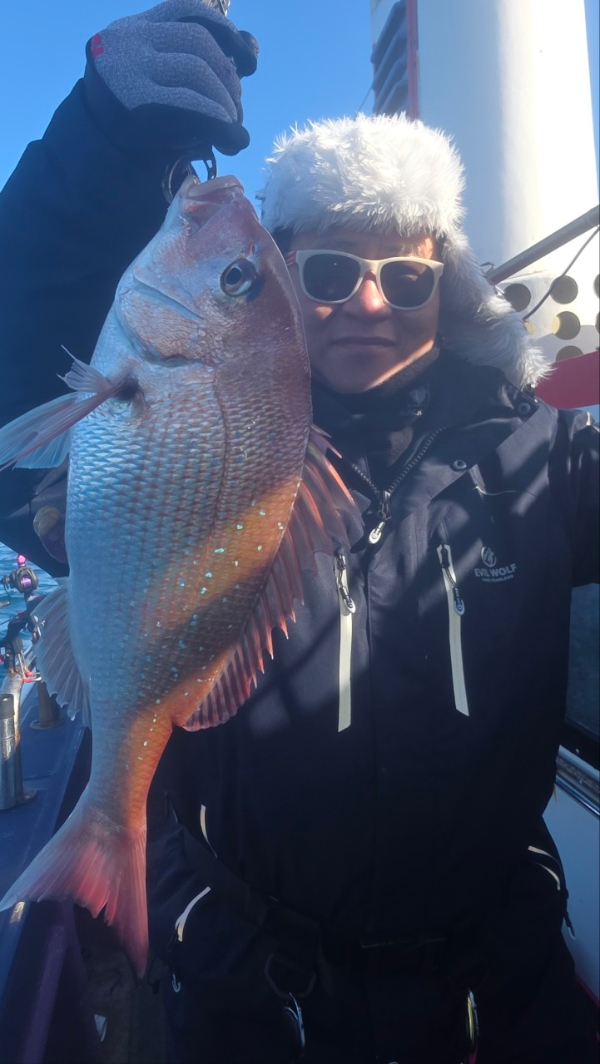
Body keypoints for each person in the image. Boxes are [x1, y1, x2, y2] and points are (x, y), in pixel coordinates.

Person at [0, 3, 598, 1062]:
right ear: (282, 284)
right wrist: (94, 159)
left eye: (407, 277)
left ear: (449, 291)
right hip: (250, 988)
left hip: (501, 985)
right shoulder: (206, 416)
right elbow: (23, 422)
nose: (369, 301)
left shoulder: (543, 455)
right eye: (326, 272)